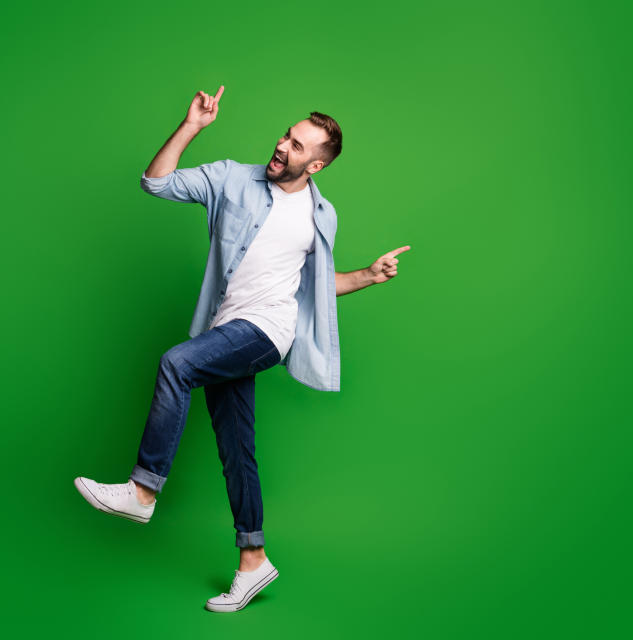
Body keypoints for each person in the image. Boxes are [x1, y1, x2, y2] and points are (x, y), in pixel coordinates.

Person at [75, 85, 410, 612]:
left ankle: (142, 493)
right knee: (236, 449)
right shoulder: (233, 177)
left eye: (298, 147)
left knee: (176, 363)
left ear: (316, 165)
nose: (282, 146)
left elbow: (314, 287)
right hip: (226, 328)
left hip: (269, 331)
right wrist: (191, 127)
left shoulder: (322, 217)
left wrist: (367, 275)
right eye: (286, 135)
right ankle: (253, 561)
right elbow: (155, 183)